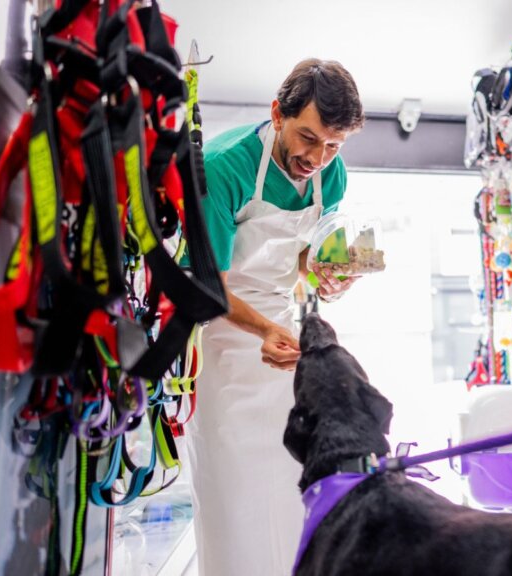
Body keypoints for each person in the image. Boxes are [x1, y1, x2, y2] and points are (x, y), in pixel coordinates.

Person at [184, 58, 365, 576]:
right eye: (308, 138)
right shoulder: (223, 167)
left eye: (333, 145)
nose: (318, 157)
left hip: (287, 351)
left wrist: (328, 276)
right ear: (277, 114)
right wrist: (263, 329)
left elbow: (304, 260)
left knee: (293, 491)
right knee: (235, 501)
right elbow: (207, 286)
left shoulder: (332, 171)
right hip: (222, 348)